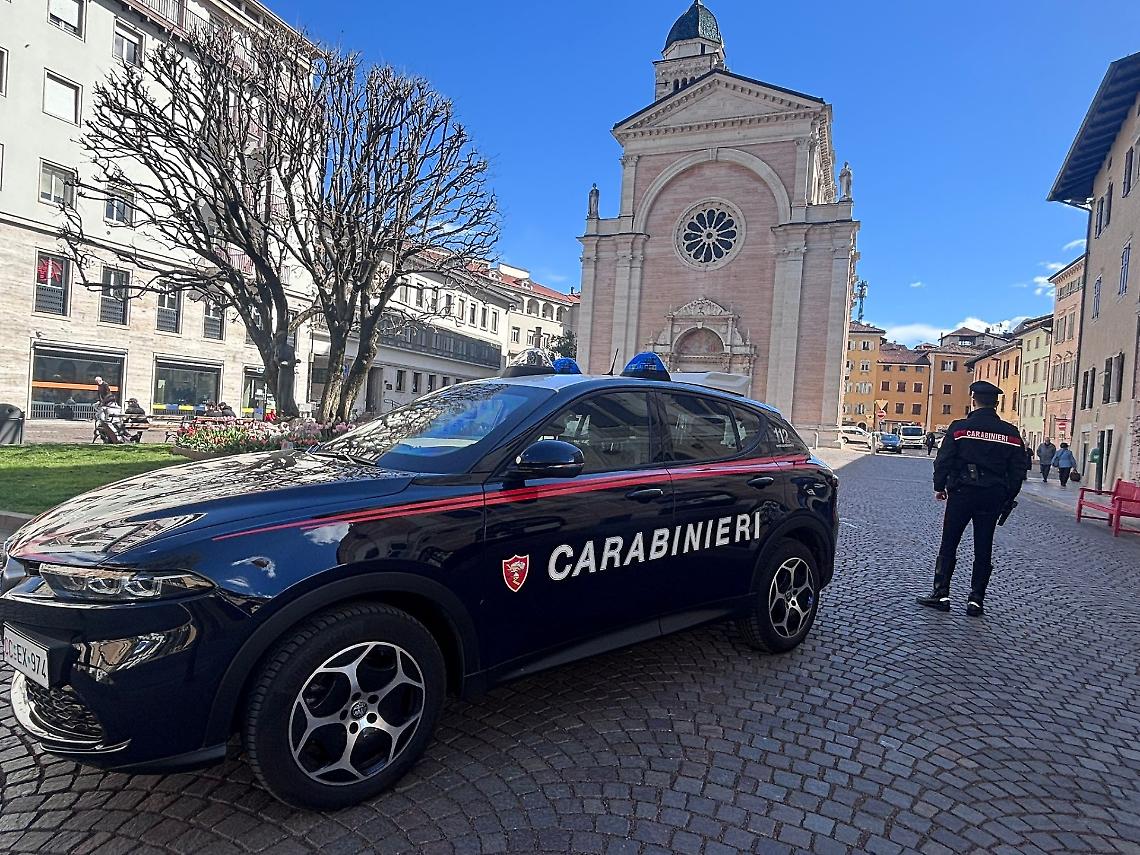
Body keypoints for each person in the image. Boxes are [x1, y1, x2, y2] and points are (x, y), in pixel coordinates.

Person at [917, 381, 1026, 617]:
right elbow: (1018, 470)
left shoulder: (959, 428)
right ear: (996, 403)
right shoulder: (1011, 433)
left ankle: (941, 594)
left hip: (962, 493)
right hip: (993, 495)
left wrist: (939, 486)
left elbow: (943, 460)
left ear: (974, 400)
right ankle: (976, 600)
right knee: (983, 547)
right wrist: (1007, 497)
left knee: (949, 543)